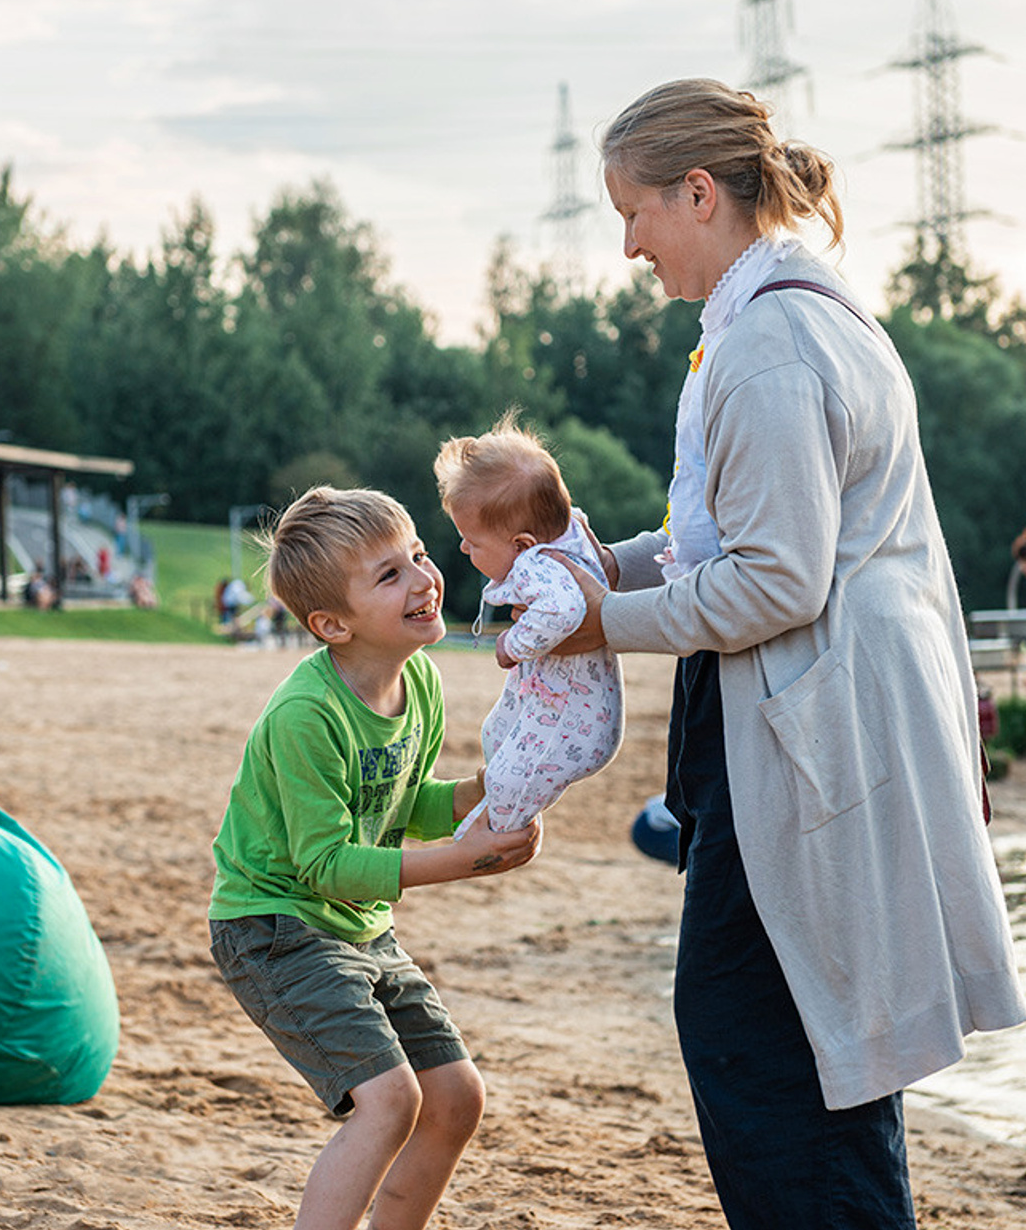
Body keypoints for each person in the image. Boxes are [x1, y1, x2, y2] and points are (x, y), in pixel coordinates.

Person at [545, 78, 1026, 1229]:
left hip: (810, 744)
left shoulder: (769, 344)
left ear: (698, 192)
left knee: (765, 1043)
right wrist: (596, 566)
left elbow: (772, 580)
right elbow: (733, 535)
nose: (624, 246)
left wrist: (591, 622)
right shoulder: (787, 316)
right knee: (814, 1042)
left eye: (633, 213)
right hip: (800, 730)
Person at [208, 486, 541, 1230]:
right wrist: (466, 858)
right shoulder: (306, 714)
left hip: (359, 928)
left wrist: (468, 799)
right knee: (390, 1100)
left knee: (456, 1098)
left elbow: (399, 800)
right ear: (331, 624)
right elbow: (325, 863)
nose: (423, 577)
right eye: (388, 575)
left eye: (419, 555)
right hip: (273, 927)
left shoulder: (419, 679)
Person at [433, 415, 624, 839]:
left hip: (574, 717)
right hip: (548, 699)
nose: (464, 548)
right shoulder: (564, 532)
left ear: (521, 543)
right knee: (496, 734)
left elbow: (564, 611)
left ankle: (492, 834)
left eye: (472, 541)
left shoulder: (538, 564)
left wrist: (513, 644)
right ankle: (497, 806)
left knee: (509, 780)